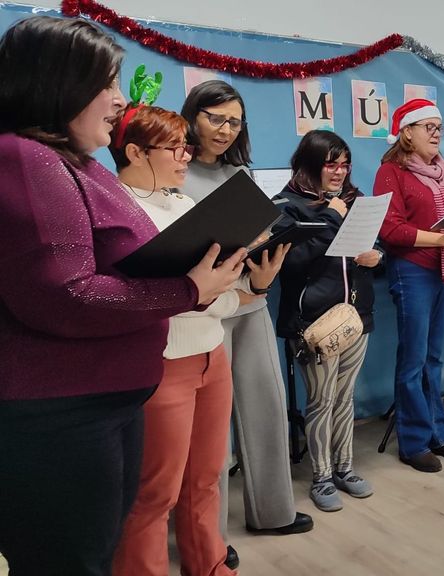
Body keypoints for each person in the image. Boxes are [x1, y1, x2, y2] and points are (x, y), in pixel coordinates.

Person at [0, 17, 242, 575]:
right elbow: (67, 295)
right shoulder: (27, 158)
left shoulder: (78, 164)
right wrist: (186, 288)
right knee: (71, 560)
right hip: (59, 412)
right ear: (56, 84)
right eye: (106, 84)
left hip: (107, 399)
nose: (117, 99)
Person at [108, 103, 286, 575]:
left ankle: (209, 566)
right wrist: (198, 294)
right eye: (174, 148)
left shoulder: (184, 205)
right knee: (155, 493)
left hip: (212, 354)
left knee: (206, 478)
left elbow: (212, 298)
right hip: (162, 365)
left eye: (186, 146)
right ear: (134, 152)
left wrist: (255, 287)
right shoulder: (119, 212)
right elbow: (138, 301)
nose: (187, 156)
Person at [179, 81, 312, 554]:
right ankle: (208, 537)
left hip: (253, 296)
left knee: (267, 406)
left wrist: (265, 246)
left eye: (234, 121)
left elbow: (254, 227)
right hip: (205, 311)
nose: (225, 129)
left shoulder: (241, 171)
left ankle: (273, 511)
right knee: (211, 433)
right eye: (215, 118)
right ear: (193, 115)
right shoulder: (172, 168)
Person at [374, 98, 444, 472]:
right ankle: (413, 441)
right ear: (407, 132)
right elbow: (389, 229)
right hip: (413, 271)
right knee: (413, 359)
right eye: (429, 127)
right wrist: (442, 240)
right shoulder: (391, 172)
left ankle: (439, 433)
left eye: (439, 127)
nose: (437, 134)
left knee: (433, 357)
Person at [273, 130, 379, 511]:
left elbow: (368, 243)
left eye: (344, 163)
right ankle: (321, 476)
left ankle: (345, 469)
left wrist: (375, 256)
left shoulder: (355, 199)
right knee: (320, 400)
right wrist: (331, 218)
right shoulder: (287, 205)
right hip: (312, 322)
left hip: (355, 315)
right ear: (311, 164)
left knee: (345, 398)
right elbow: (290, 261)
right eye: (330, 163)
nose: (339, 171)